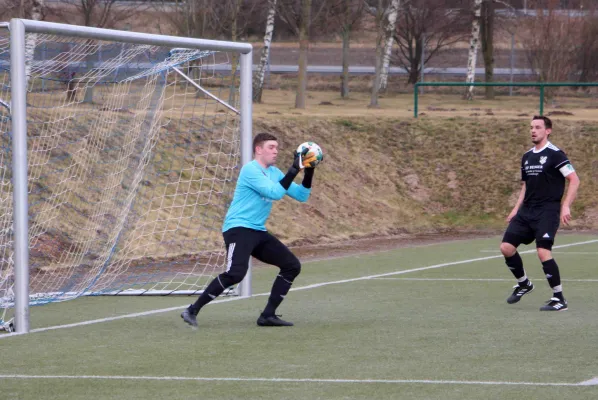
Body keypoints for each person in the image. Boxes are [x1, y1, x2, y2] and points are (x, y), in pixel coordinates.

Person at [181, 132, 318, 327]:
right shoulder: (250, 170)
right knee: (235, 274)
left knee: (292, 266)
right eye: (271, 147)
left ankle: (267, 315)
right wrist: (294, 169)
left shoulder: (275, 172)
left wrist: (309, 170)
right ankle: (192, 310)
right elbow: (274, 193)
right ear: (258, 149)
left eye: (277, 148)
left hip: (257, 231)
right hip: (238, 228)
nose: (276, 151)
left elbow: (302, 196)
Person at [500, 116, 580, 311]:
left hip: (547, 211)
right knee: (506, 248)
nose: (533, 131)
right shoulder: (527, 156)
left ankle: (559, 298)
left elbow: (574, 180)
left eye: (537, 127)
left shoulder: (556, 154)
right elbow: (525, 186)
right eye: (531, 127)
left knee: (543, 251)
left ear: (548, 130)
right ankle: (524, 283)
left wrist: (566, 205)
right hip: (527, 211)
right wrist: (516, 209)